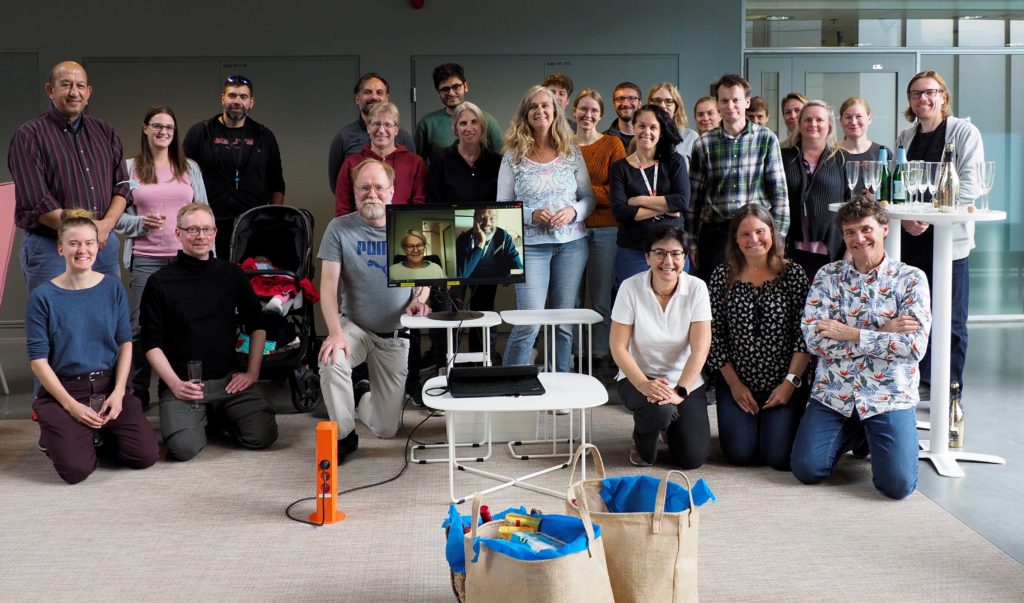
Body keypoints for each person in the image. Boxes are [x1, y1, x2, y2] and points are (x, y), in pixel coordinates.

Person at [791, 196, 931, 499]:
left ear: (884, 229)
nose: (859, 238)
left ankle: (875, 430)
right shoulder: (828, 276)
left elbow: (913, 347)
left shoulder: (911, 279)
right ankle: (859, 431)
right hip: (834, 392)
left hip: (889, 395)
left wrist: (849, 333)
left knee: (897, 487)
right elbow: (814, 340)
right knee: (807, 469)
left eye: (866, 229)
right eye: (850, 232)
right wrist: (882, 333)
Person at [26, 210, 158, 484]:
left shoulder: (112, 287)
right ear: (60, 248)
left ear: (98, 245)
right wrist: (72, 407)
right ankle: (67, 430)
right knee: (76, 471)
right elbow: (38, 361)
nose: (82, 250)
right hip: (65, 391)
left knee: (144, 455)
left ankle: (97, 434)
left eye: (89, 242)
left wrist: (120, 392)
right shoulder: (43, 296)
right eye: (74, 243)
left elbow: (125, 344)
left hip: (109, 386)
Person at [141, 203, 278, 461]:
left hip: (229, 382)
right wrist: (174, 384)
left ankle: (215, 415)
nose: (200, 236)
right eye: (192, 229)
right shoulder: (160, 282)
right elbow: (151, 343)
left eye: (206, 229)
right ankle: (201, 416)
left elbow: (257, 325)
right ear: (178, 233)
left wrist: (252, 372)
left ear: (215, 232)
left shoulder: (232, 274)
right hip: (185, 384)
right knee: (183, 449)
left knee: (263, 435)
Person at [318, 160, 432, 461]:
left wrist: (419, 298)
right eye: (364, 187)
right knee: (332, 359)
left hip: (394, 334)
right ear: (355, 192)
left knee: (387, 429)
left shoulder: (410, 224)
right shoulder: (339, 229)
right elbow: (328, 287)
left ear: (392, 191)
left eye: (379, 187)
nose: (372, 194)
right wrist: (335, 333)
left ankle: (361, 396)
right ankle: (344, 436)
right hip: (354, 326)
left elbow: (424, 277)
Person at [897, 70, 984, 401]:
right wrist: (906, 218)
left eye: (930, 92)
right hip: (910, 241)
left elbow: (970, 187)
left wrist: (929, 220)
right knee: (913, 316)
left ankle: (950, 394)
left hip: (950, 242)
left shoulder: (964, 132)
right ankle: (917, 385)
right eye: (916, 94)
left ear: (943, 96)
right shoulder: (906, 137)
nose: (923, 99)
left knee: (951, 321)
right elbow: (900, 187)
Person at [117, 105, 209, 407]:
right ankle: (139, 389)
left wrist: (210, 257)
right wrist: (140, 223)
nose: (163, 132)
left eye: (169, 127)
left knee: (186, 324)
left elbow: (205, 214)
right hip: (146, 259)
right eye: (157, 126)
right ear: (145, 129)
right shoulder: (129, 168)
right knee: (140, 327)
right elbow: (116, 218)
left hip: (187, 261)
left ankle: (177, 386)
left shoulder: (189, 168)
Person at [9, 61, 129, 292]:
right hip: (50, 247)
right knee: (55, 320)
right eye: (66, 85)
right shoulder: (29, 136)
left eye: (80, 85)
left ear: (88, 92)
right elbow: (37, 202)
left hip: (103, 245)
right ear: (50, 90)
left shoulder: (105, 131)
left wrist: (105, 227)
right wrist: (89, 233)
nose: (74, 92)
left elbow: (122, 186)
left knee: (105, 319)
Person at [499, 85, 594, 373]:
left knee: (564, 320)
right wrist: (531, 215)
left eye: (546, 106)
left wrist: (573, 211)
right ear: (525, 114)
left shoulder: (571, 152)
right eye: (534, 107)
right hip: (529, 247)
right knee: (529, 321)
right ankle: (510, 384)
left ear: (555, 112)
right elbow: (501, 207)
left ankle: (561, 382)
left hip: (571, 245)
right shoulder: (512, 156)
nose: (540, 111)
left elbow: (589, 198)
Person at [707, 205, 810, 470]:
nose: (754, 240)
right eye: (745, 234)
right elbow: (714, 337)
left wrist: (790, 384)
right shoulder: (722, 276)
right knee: (740, 455)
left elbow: (804, 336)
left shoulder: (793, 275)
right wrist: (735, 386)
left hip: (784, 382)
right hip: (737, 382)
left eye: (760, 231)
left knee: (777, 458)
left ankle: (778, 422)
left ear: (772, 233)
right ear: (735, 239)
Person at [609, 224, 711, 468]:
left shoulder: (697, 288)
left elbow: (701, 347)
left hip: (684, 380)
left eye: (676, 254)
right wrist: (644, 384)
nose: (668, 261)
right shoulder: (630, 287)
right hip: (638, 377)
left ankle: (667, 425)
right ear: (647, 257)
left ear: (685, 259)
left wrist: (681, 392)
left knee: (692, 459)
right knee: (659, 412)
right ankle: (643, 442)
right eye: (660, 253)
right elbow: (618, 346)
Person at [688, 73, 789, 283]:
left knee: (755, 293)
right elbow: (693, 201)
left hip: (756, 235)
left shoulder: (766, 139)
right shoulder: (703, 144)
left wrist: (778, 242)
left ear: (747, 102)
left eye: (735, 100)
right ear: (718, 104)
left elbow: (779, 195)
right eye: (724, 101)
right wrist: (692, 242)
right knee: (714, 298)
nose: (730, 105)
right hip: (715, 235)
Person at [426, 102, 504, 362]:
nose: (468, 128)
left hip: (488, 247)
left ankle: (484, 361)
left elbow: (503, 204)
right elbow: (433, 202)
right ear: (455, 128)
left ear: (482, 127)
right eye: (463, 123)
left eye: (474, 122)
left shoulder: (496, 161)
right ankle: (445, 362)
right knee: (449, 307)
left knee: (483, 307)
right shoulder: (441, 158)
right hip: (452, 245)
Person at [183, 75, 285, 258]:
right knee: (212, 281)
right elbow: (182, 180)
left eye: (243, 97)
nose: (237, 101)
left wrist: (272, 221)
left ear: (251, 102)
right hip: (208, 226)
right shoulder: (200, 133)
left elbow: (277, 184)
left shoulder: (264, 136)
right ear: (222, 98)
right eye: (232, 95)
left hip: (253, 226)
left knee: (248, 281)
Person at [573, 89, 627, 374]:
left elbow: (617, 191)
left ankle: (600, 355)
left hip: (606, 229)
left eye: (594, 110)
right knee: (571, 299)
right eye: (583, 109)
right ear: (573, 111)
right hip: (570, 231)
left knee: (602, 299)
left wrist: (579, 194)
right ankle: (571, 355)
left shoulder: (612, 145)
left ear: (601, 115)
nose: (588, 115)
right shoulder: (563, 145)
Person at [609, 104, 690, 286]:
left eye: (653, 127)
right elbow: (621, 212)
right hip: (633, 249)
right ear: (634, 128)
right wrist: (666, 208)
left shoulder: (675, 161)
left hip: (672, 249)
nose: (647, 131)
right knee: (635, 307)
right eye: (642, 126)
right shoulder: (619, 168)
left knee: (675, 306)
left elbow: (682, 202)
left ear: (661, 132)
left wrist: (638, 201)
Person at [781, 100, 850, 280]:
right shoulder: (783, 157)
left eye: (819, 120)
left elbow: (851, 209)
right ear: (800, 124)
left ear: (829, 126)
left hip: (831, 251)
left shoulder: (841, 159)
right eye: (807, 119)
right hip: (789, 251)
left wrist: (849, 253)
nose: (813, 124)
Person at [327, 72, 416, 192]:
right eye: (367, 92)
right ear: (357, 99)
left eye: (379, 92)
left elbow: (414, 179)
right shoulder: (343, 137)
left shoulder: (404, 137)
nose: (374, 97)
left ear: (387, 99)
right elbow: (337, 186)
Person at [336, 102, 426, 217]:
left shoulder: (415, 163)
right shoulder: (351, 164)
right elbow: (343, 210)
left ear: (396, 129)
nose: (381, 130)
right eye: (376, 124)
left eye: (388, 125)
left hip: (401, 230)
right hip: (360, 231)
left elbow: (419, 206)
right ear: (368, 128)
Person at [414, 63, 503, 164]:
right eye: (445, 89)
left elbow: (502, 161)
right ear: (438, 92)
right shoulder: (427, 124)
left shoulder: (487, 120)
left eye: (456, 87)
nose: (451, 93)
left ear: (465, 86)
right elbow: (418, 165)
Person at [455, 207, 523, 279]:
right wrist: (481, 242)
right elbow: (461, 276)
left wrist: (515, 277)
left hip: (498, 285)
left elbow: (517, 265)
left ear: (496, 221)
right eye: (482, 217)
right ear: (474, 220)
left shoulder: (504, 236)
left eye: (492, 218)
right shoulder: (463, 239)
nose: (487, 223)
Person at [647, 82, 700, 161]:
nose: (662, 106)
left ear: (676, 108)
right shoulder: (642, 137)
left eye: (668, 101)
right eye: (657, 100)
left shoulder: (691, 137)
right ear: (649, 105)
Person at [838, 97, 881, 162]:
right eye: (848, 117)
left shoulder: (883, 153)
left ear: (869, 119)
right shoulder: (830, 155)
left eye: (859, 116)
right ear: (841, 121)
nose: (853, 122)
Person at [604, 82, 642, 149]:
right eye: (620, 99)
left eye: (632, 98)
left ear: (639, 104)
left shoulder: (650, 138)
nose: (626, 104)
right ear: (614, 104)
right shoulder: (603, 140)